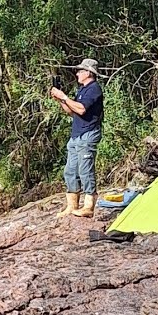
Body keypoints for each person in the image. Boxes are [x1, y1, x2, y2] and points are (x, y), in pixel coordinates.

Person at [50, 58, 104, 218]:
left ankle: (88, 207)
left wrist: (65, 97)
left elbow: (81, 109)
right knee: (70, 171)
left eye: (80, 71)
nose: (77, 73)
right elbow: (72, 111)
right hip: (76, 135)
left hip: (88, 134)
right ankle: (72, 206)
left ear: (88, 73)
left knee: (85, 170)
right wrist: (60, 99)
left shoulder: (94, 88)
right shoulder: (82, 89)